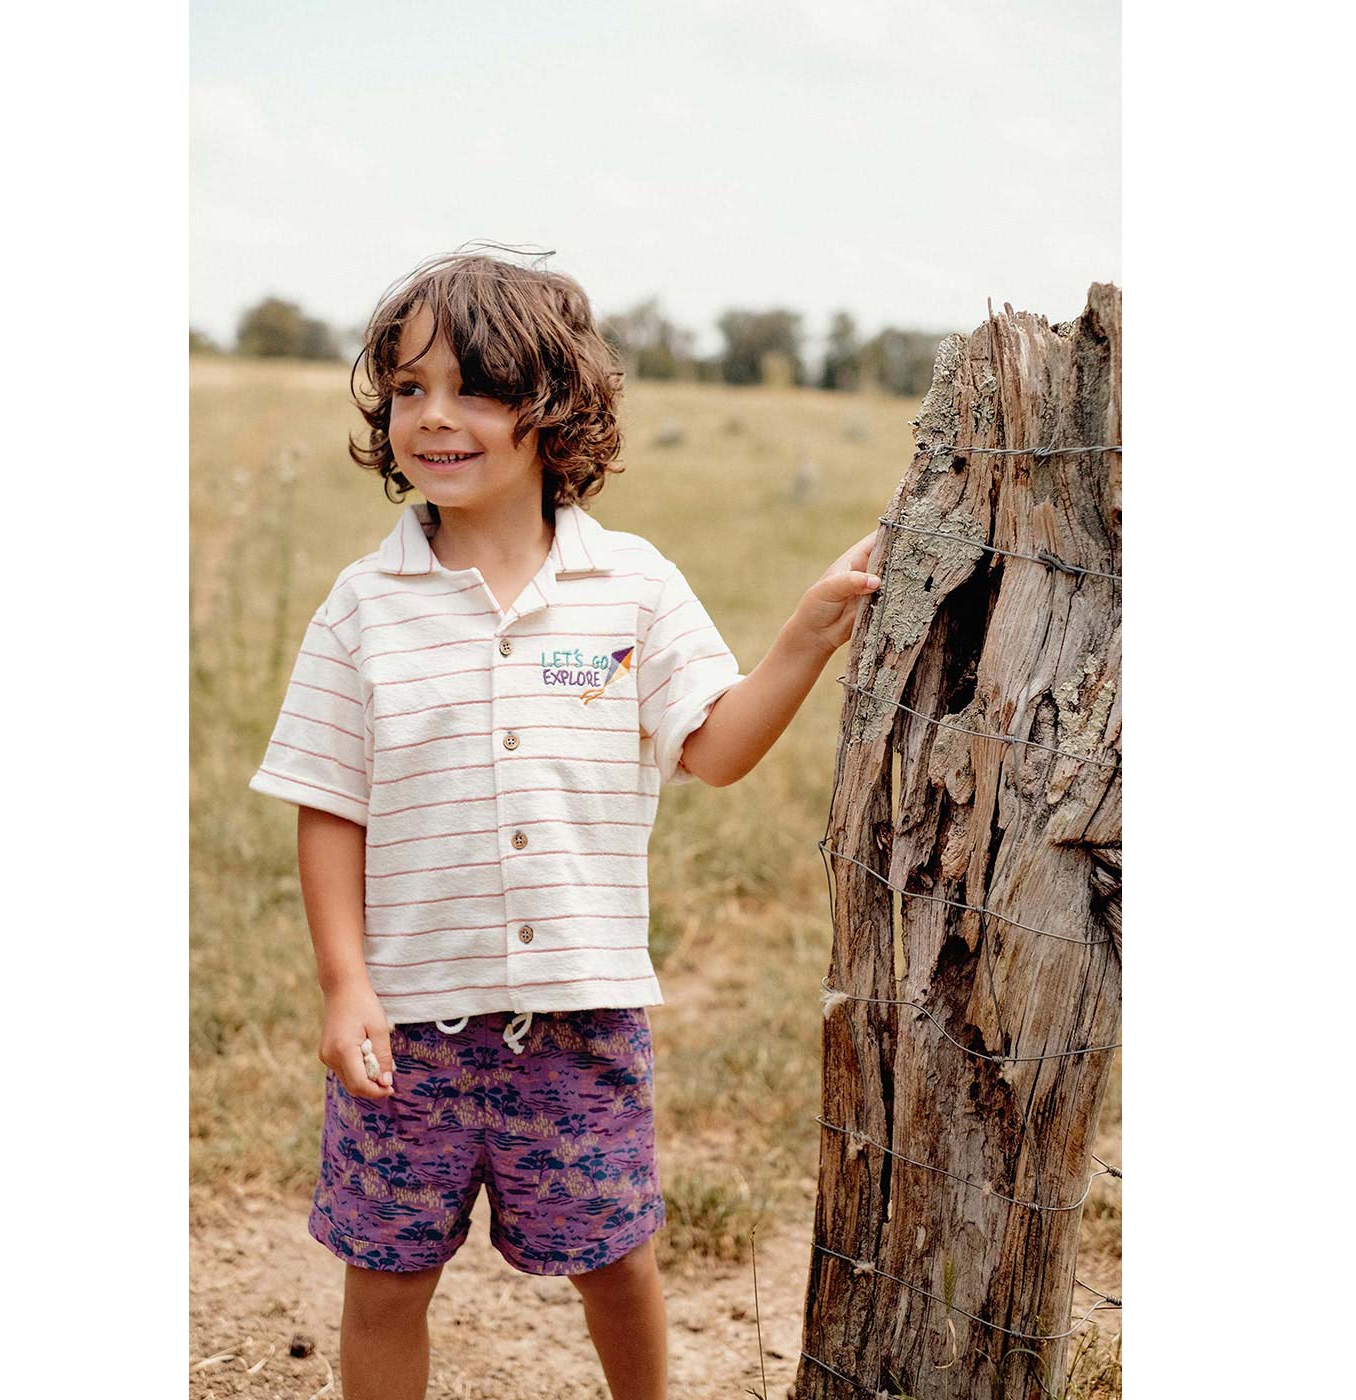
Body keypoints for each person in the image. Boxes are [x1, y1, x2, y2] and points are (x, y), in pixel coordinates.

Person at [248, 249, 881, 1400]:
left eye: (472, 386)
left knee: (613, 1256)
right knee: (384, 1275)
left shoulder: (628, 585)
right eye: (404, 389)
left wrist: (804, 635)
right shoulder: (361, 606)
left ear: (553, 407)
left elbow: (715, 748)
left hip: (580, 1014)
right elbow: (329, 803)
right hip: (410, 1022)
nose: (432, 417)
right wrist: (345, 984)